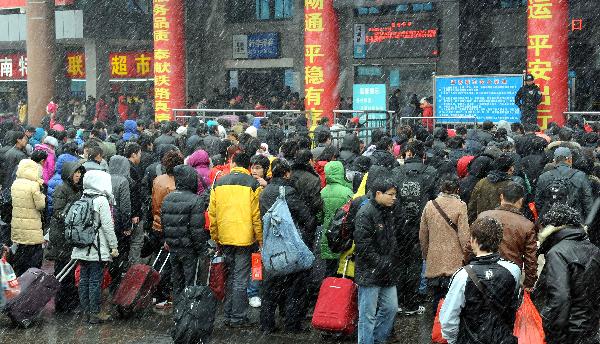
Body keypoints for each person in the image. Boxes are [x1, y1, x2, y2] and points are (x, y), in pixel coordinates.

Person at [440, 217, 521, 344]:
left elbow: (448, 318)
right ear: (499, 241)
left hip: (470, 339)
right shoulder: (514, 270)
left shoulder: (462, 275)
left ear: (473, 240)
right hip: (503, 338)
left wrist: (454, 339)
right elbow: (513, 304)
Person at [258, 159, 316, 334]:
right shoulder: (289, 192)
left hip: (271, 245)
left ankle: (267, 325)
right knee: (295, 287)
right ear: (286, 173)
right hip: (289, 245)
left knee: (269, 288)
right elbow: (307, 219)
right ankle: (292, 325)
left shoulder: (265, 191)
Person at [208, 152, 262, 327]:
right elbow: (256, 217)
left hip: (224, 237)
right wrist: (260, 240)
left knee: (230, 277)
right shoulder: (253, 184)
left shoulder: (219, 183)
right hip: (245, 238)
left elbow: (212, 215)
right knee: (240, 278)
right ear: (247, 166)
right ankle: (238, 317)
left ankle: (228, 314)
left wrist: (216, 237)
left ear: (232, 163)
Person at [534, 203, 600, 344]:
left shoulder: (557, 253)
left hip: (569, 331)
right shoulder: (594, 250)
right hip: (591, 330)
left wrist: (555, 335)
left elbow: (560, 299)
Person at [354, 178, 400, 344]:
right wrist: (381, 263)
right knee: (367, 315)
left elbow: (393, 239)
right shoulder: (365, 213)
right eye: (391, 194)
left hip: (387, 271)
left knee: (391, 308)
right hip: (369, 272)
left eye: (395, 194)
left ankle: (377, 339)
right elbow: (363, 246)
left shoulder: (389, 211)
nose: (394, 198)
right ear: (378, 194)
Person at [72, 170, 119, 324]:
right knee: (95, 281)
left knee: (84, 279)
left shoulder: (83, 197)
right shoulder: (101, 200)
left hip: (82, 246)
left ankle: (86, 311)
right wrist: (114, 246)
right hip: (96, 247)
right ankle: (95, 313)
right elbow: (107, 226)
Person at [161, 165, 209, 306]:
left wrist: (169, 241)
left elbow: (165, 225)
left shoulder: (168, 199)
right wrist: (202, 251)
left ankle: (178, 314)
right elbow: (197, 230)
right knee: (191, 283)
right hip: (190, 250)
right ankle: (188, 314)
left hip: (174, 249)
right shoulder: (196, 200)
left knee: (177, 283)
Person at [419, 174, 470, 308]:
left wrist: (426, 255)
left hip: (434, 258)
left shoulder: (430, 205)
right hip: (454, 260)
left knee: (436, 299)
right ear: (457, 189)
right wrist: (467, 257)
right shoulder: (461, 206)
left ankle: (436, 321)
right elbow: (464, 236)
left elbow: (423, 234)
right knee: (453, 301)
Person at [478, 182, 538, 290]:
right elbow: (531, 259)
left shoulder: (483, 216)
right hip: (509, 277)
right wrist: (529, 283)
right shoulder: (526, 225)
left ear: (501, 197)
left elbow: (470, 247)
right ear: (521, 200)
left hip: (481, 273)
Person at [47, 160, 85, 313]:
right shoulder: (62, 189)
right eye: (76, 173)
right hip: (62, 237)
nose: (78, 176)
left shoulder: (77, 189)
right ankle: (63, 304)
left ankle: (69, 303)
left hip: (70, 235)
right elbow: (57, 212)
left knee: (70, 271)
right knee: (63, 271)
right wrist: (73, 218)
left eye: (80, 173)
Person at [535, 146, 593, 220]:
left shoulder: (543, 177)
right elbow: (588, 203)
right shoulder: (580, 176)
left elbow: (538, 203)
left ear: (554, 161)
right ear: (570, 160)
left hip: (551, 222)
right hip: (575, 222)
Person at [10, 159, 46, 276]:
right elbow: (41, 205)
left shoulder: (15, 183)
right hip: (32, 227)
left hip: (18, 225)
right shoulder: (34, 185)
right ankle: (30, 282)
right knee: (33, 258)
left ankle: (19, 279)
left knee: (20, 254)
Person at [320, 160, 353, 275]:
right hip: (342, 235)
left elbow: (320, 215)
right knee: (342, 270)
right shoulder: (347, 192)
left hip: (327, 235)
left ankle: (328, 289)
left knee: (329, 269)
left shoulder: (323, 192)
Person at [468, 154, 519, 223]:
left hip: (481, 223)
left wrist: (472, 223)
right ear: (510, 168)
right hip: (501, 226)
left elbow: (472, 206)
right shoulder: (511, 186)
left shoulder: (482, 182)